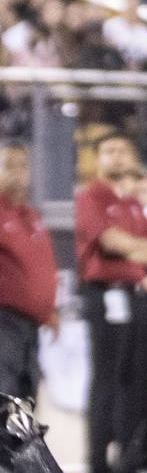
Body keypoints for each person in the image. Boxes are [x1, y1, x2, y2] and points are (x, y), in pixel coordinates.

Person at [75, 133, 147, 473]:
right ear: (97, 158)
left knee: (135, 380)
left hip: (133, 295)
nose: (116, 157)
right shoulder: (91, 197)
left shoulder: (130, 203)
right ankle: (98, 466)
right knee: (107, 379)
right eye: (108, 151)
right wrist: (136, 249)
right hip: (105, 293)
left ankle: (128, 465)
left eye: (122, 151)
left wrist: (134, 248)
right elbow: (109, 241)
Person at [0, 144, 57, 401]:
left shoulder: (31, 216)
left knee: (26, 395)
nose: (17, 173)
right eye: (9, 166)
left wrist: (48, 309)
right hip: (4, 320)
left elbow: (39, 267)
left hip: (30, 324)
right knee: (5, 393)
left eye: (23, 166)